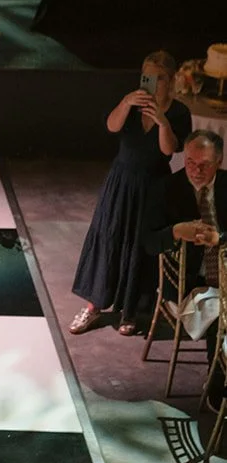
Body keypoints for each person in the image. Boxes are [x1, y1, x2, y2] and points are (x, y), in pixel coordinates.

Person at [69, 49, 191, 337]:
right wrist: (126, 102)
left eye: (160, 78)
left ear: (171, 81)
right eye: (148, 76)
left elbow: (168, 150)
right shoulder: (130, 101)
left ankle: (131, 309)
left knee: (139, 245)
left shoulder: (178, 112)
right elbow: (112, 126)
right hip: (121, 181)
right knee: (108, 236)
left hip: (153, 186)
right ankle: (93, 305)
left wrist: (162, 121)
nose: (153, 83)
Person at [141, 129, 227, 370]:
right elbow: (147, 242)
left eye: (205, 165)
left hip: (225, 274)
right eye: (190, 162)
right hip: (188, 284)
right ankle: (217, 390)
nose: (196, 171)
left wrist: (219, 238)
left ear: (219, 162)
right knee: (221, 315)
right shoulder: (166, 189)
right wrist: (175, 232)